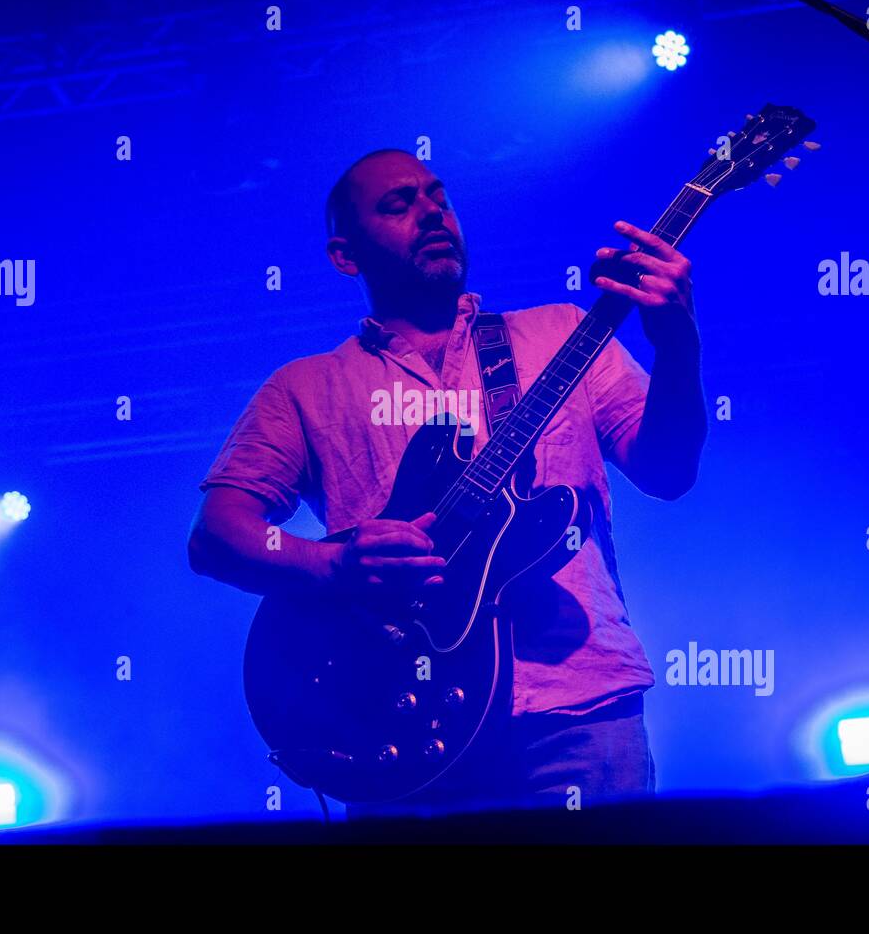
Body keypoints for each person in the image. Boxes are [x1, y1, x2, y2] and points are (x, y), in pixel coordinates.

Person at [188, 148, 706, 814]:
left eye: (438, 196)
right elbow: (216, 536)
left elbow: (668, 471)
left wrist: (678, 344)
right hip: (397, 720)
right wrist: (331, 562)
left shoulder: (561, 332)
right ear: (345, 256)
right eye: (397, 205)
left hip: (577, 710)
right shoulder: (305, 387)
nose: (431, 212)